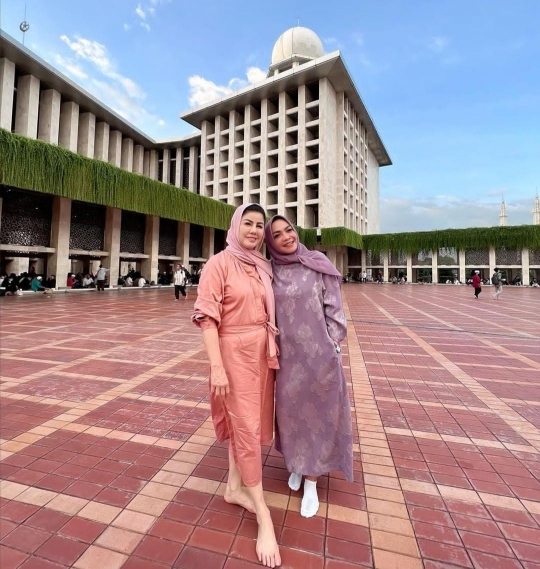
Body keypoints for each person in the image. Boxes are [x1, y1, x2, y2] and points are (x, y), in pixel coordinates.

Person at [192, 204, 281, 568]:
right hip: (233, 353)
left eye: (260, 226)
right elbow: (206, 318)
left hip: (262, 355)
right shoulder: (219, 263)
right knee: (245, 427)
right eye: (248, 223)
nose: (255, 230)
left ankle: (234, 487)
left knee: (252, 423)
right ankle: (263, 515)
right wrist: (217, 367)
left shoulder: (262, 266)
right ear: (235, 225)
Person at [264, 216, 353, 519]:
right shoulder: (270, 270)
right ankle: (298, 466)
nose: (286, 237)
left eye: (288, 229)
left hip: (318, 357)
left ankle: (312, 481)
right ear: (270, 242)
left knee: (318, 416)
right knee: (291, 416)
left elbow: (335, 308)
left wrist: (333, 343)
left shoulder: (317, 263)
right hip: (287, 360)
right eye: (277, 234)